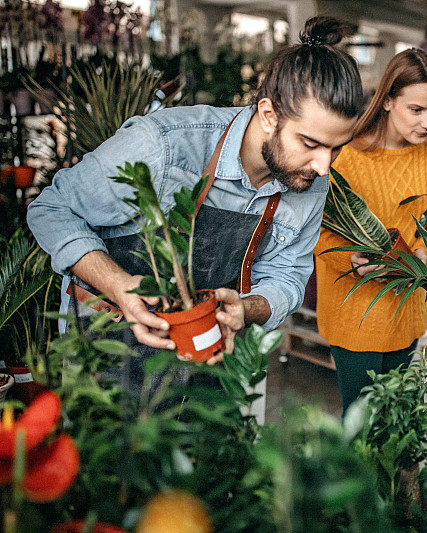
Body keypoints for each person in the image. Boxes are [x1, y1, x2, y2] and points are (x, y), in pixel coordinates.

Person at [27, 17, 363, 368]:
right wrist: (118, 285)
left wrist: (246, 309)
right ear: (268, 115)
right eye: (310, 143)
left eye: (337, 148)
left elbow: (288, 275)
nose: (324, 166)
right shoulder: (164, 144)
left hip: (206, 358)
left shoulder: (311, 179)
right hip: (105, 346)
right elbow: (52, 209)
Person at [314, 48, 427, 415]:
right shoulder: (346, 155)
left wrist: (426, 251)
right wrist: (352, 258)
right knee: (360, 422)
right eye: (416, 110)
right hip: (354, 309)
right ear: (388, 100)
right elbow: (315, 231)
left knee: (397, 423)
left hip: (407, 304)